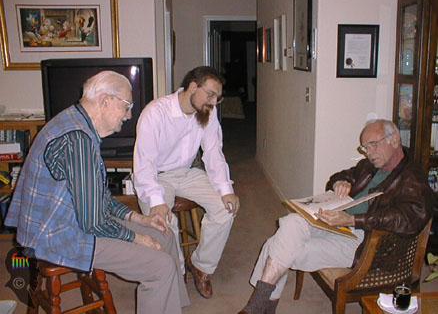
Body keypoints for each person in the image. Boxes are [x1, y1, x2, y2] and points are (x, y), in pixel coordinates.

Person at [5, 71, 190, 314]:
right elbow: (93, 222)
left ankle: (171, 307)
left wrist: (139, 219)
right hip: (54, 236)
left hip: (70, 219)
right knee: (161, 266)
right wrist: (138, 238)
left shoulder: (76, 122)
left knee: (164, 235)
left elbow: (99, 196)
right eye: (126, 106)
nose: (129, 115)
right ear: (105, 101)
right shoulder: (77, 140)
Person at [238, 119, 434, 314]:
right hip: (336, 224)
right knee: (291, 222)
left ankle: (257, 307)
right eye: (365, 148)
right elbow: (339, 176)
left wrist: (352, 220)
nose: (369, 153)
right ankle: (260, 308)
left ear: (395, 139)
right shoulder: (369, 166)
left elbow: (409, 219)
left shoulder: (413, 178)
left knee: (276, 245)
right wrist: (340, 182)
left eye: (373, 145)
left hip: (364, 243)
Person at [133, 66, 240, 299]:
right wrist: (156, 200)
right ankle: (176, 271)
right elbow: (144, 164)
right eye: (210, 94)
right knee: (163, 221)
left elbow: (213, 152)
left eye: (217, 98)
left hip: (186, 172)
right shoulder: (155, 113)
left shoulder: (206, 113)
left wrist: (226, 189)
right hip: (155, 176)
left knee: (226, 209)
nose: (213, 102)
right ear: (193, 86)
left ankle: (201, 265)